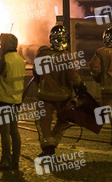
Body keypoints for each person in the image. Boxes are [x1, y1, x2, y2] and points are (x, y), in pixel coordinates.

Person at [34, 25, 87, 156]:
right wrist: (81, 87)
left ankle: (48, 145)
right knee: (64, 120)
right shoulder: (67, 57)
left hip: (45, 95)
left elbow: (36, 73)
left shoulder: (43, 54)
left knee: (43, 121)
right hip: (64, 96)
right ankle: (53, 142)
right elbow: (74, 77)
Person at [0, 34, 25, 170]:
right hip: (16, 100)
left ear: (6, 45)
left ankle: (5, 160)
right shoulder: (20, 60)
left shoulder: (3, 60)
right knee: (14, 130)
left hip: (3, 99)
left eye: (2, 43)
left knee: (4, 131)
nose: (0, 46)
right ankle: (15, 160)